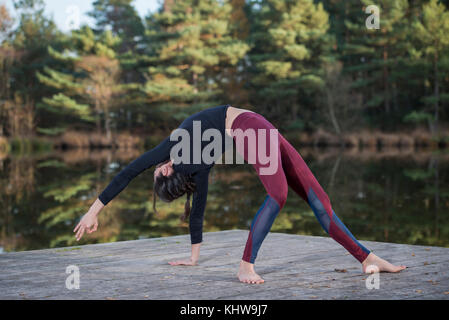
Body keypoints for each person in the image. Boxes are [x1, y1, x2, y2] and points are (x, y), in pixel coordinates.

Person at [74, 104, 406, 284]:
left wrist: (193, 258)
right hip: (250, 127)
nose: (159, 166)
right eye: (161, 170)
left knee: (319, 200)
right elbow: (131, 171)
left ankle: (366, 258)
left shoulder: (188, 160)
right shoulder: (182, 156)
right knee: (278, 194)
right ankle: (245, 266)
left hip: (257, 124)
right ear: (166, 172)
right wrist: (93, 211)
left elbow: (196, 210)